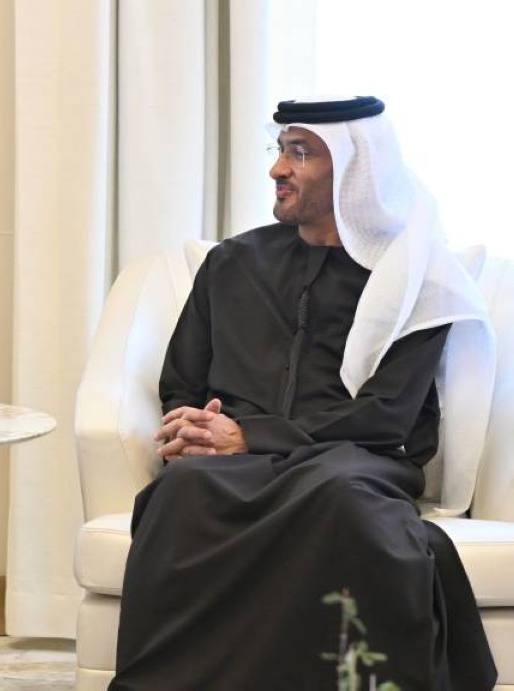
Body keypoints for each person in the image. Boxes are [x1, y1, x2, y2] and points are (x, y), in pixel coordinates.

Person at [111, 96, 497, 689]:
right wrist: (195, 429)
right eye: (280, 150)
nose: (278, 169)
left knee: (342, 498)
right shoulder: (233, 262)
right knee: (182, 490)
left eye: (300, 153)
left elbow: (387, 416)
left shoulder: (414, 278)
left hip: (354, 458)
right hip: (235, 466)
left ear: (354, 167)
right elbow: (182, 380)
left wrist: (248, 435)